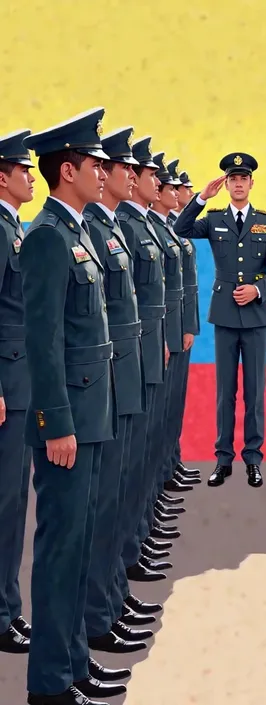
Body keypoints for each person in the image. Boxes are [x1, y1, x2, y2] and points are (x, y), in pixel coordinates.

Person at [20, 107, 115, 705]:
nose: (103, 173)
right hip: (67, 421)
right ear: (67, 170)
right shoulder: (49, 239)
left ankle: (75, 662)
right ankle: (50, 684)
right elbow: (42, 338)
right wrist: (55, 421)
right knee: (60, 549)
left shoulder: (76, 230)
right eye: (94, 164)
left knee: (80, 542)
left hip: (92, 414)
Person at [174, 153, 266, 487]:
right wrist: (200, 199)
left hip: (255, 318)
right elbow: (180, 228)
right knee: (225, 393)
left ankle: (253, 460)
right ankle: (223, 459)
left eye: (243, 178)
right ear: (226, 184)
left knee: (255, 393)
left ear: (252, 183)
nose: (238, 184)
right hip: (225, 316)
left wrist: (258, 290)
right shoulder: (213, 219)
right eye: (232, 179)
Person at [83, 126, 154, 661]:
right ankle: (96, 615)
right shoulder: (79, 231)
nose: (126, 175)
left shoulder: (108, 228)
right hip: (91, 383)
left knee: (112, 493)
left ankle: (107, 603)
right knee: (89, 507)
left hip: (119, 369)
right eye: (116, 167)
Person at [116, 136, 174, 587]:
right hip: (117, 363)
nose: (161, 183)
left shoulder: (142, 226)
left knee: (137, 457)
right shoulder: (127, 227)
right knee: (119, 470)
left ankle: (131, 550)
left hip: (143, 348)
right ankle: (115, 579)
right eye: (153, 176)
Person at [0, 129, 35, 655]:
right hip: (6, 382)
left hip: (19, 378)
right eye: (23, 170)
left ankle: (7, 605)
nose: (32, 177)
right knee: (5, 503)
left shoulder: (14, 227)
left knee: (11, 505)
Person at [166, 158, 202, 486]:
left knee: (171, 404)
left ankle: (168, 465)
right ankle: (163, 473)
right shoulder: (160, 227)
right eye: (185, 188)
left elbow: (187, 285)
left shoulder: (170, 225)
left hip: (176, 327)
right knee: (159, 410)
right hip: (161, 333)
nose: (189, 193)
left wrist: (189, 324)